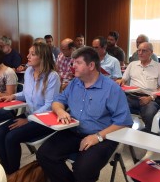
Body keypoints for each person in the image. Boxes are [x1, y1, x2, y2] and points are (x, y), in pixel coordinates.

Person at [36, 46, 133, 182]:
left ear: (91, 65)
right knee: (44, 154)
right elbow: (58, 101)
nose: (73, 66)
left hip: (103, 136)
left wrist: (97, 137)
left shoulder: (112, 89)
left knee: (83, 170)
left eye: (78, 63)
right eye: (73, 62)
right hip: (74, 131)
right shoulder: (75, 83)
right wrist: (60, 110)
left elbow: (124, 122)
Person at [0, 42, 61, 175]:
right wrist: (12, 96)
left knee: (11, 137)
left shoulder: (52, 76)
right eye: (29, 53)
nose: (28, 56)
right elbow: (25, 94)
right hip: (30, 115)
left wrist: (28, 120)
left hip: (45, 119)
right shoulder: (29, 71)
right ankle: (5, 170)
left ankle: (13, 173)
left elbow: (49, 105)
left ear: (42, 57)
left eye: (32, 54)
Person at [118, 42, 160, 132]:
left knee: (149, 113)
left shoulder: (159, 67)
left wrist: (150, 98)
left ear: (151, 53)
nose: (140, 53)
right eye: (138, 50)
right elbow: (123, 79)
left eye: (143, 51)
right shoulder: (132, 64)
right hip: (131, 97)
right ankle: (123, 131)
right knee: (117, 109)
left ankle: (148, 133)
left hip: (149, 98)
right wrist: (121, 81)